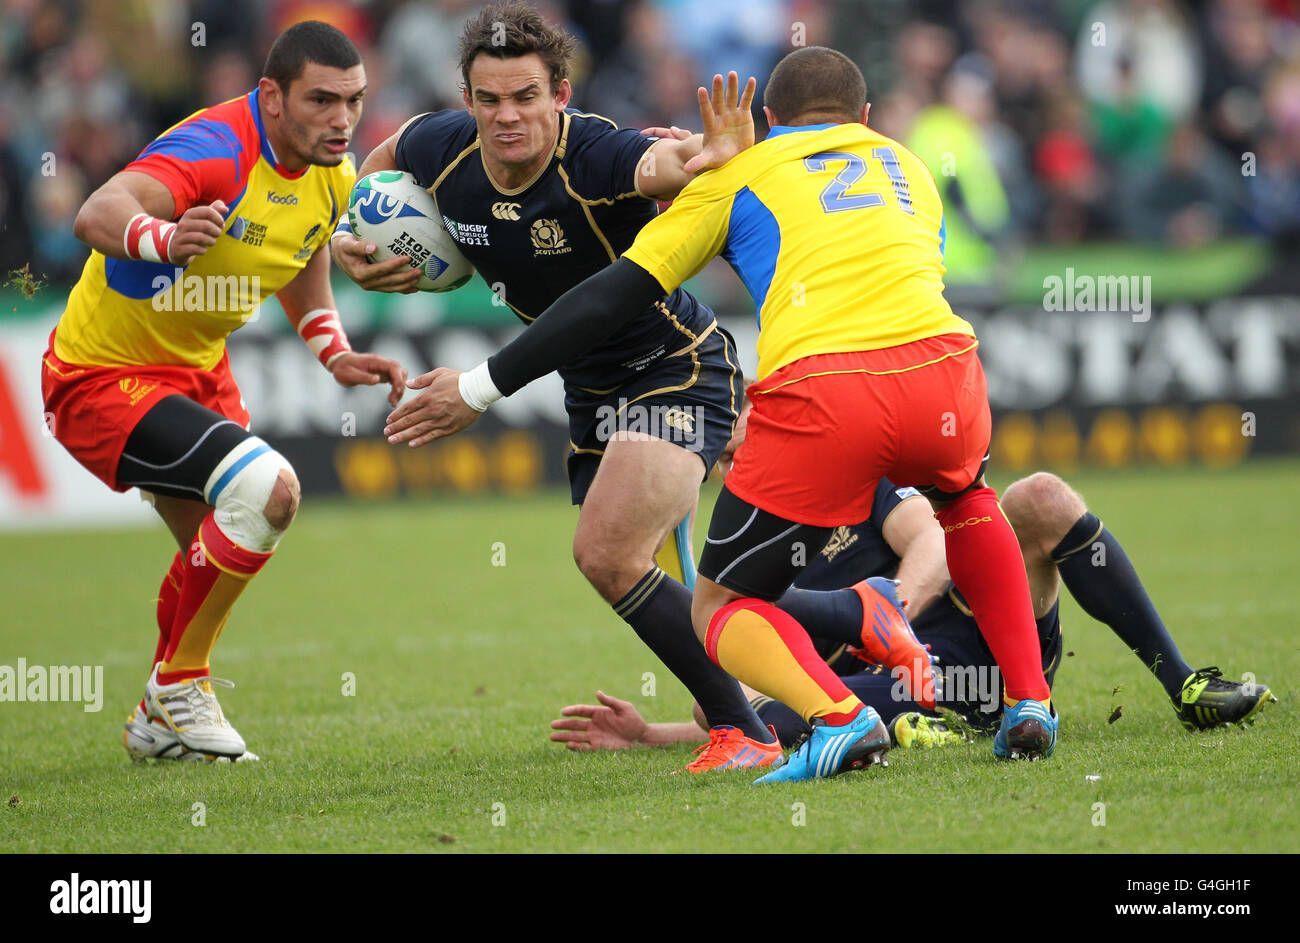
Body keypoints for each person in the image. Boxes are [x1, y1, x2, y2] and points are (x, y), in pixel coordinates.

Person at [386, 46, 1063, 781]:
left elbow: (619, 289)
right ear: (864, 119)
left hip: (824, 389)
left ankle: (839, 718)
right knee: (966, 501)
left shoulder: (742, 171)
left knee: (720, 605)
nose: (506, 114)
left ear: (768, 122)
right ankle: (1031, 701)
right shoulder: (907, 166)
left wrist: (480, 386)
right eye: (488, 99)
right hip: (946, 369)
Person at [335, 2, 788, 772]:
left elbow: (660, 165)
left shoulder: (600, 155)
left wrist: (703, 156)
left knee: (608, 550)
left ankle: (747, 726)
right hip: (590, 385)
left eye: (525, 97)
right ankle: (778, 696)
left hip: (675, 366)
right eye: (489, 99)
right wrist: (353, 241)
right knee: (646, 566)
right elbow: (373, 168)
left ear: (561, 95)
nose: (507, 116)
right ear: (467, 99)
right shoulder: (437, 146)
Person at [42, 21, 406, 762]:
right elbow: (96, 212)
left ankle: (155, 713)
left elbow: (302, 254)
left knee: (210, 554)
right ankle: (182, 681)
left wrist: (332, 351)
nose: (342, 120)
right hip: (101, 375)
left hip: (195, 370)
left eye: (355, 102)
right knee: (270, 491)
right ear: (271, 96)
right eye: (323, 100)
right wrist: (163, 237)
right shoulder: (216, 148)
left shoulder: (331, 170)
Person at [549, 472, 1275, 754]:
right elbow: (733, 712)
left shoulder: (855, 480)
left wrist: (884, 612)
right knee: (800, 721)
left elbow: (932, 538)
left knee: (1041, 499)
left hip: (976, 632)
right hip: (889, 688)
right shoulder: (740, 548)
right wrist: (651, 734)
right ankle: (936, 723)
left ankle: (1183, 684)